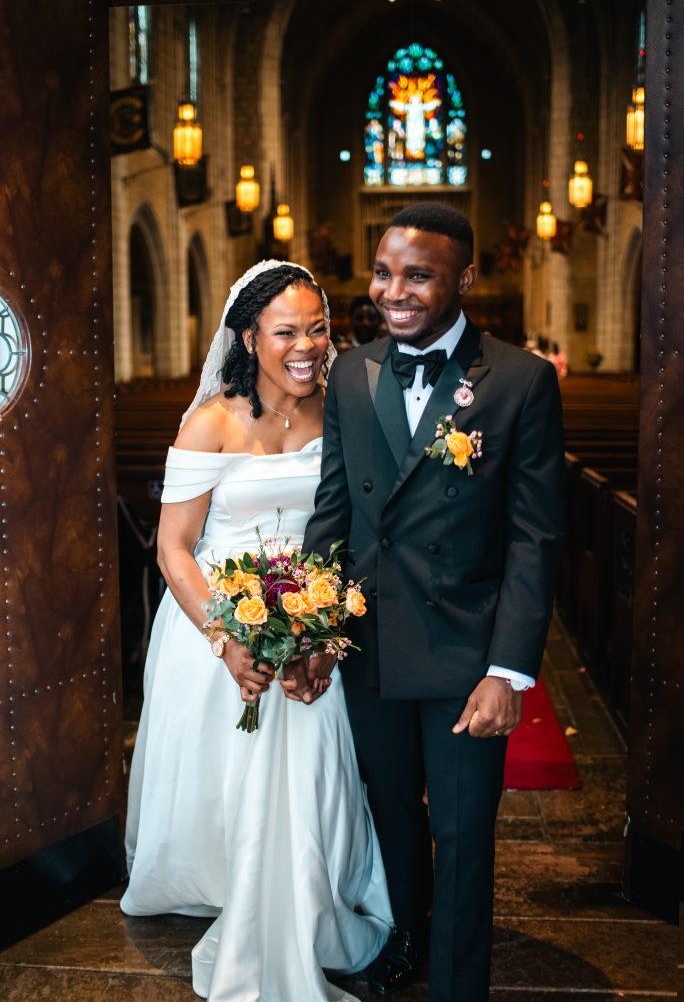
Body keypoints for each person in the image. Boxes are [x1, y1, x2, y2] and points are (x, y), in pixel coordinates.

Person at [302, 204, 566, 1001]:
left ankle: (458, 984)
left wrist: (508, 672)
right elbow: (333, 509)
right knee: (393, 816)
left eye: (418, 275)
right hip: (369, 645)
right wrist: (314, 628)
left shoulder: (519, 379)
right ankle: (405, 944)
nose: (395, 291)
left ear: (465, 280)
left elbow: (535, 538)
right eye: (384, 273)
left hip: (463, 653)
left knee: (463, 831)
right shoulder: (352, 371)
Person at [121, 260, 392, 1001]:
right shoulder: (213, 420)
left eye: (318, 328)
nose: (306, 345)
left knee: (307, 767)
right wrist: (228, 640)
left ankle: (302, 898)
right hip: (216, 618)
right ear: (250, 336)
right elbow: (174, 546)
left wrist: (326, 634)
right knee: (224, 781)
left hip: (310, 623)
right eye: (286, 331)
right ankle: (222, 879)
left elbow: (360, 531)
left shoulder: (342, 409)